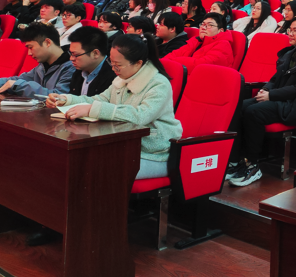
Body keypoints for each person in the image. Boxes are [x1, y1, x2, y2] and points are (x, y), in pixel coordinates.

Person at [48, 33, 182, 181]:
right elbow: (99, 99)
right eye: (111, 63)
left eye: (118, 65)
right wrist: (67, 100)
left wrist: (93, 109)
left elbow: (141, 116)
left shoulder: (158, 84)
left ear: (138, 63)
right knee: (77, 160)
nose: (113, 69)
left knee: (95, 169)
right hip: (124, 146)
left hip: (153, 154)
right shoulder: (122, 79)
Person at [228, 16, 296, 186]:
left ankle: (253, 165)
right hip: (279, 99)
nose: (290, 33)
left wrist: (271, 95)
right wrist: (266, 89)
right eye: (290, 30)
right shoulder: (289, 54)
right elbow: (275, 79)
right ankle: (235, 161)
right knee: (238, 108)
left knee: (253, 112)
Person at [0, 23, 74, 97]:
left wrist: (18, 86)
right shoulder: (42, 66)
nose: (29, 53)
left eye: (31, 47)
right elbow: (18, 80)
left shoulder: (72, 67)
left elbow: (59, 97)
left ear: (47, 42)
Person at [166, 13, 234, 70]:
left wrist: (173, 62)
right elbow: (173, 55)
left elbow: (200, 66)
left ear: (221, 31)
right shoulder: (195, 41)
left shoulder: (223, 45)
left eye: (210, 25)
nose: (203, 27)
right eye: (203, 24)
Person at [66, 26, 116, 96]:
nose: (71, 58)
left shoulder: (113, 77)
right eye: (71, 54)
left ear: (95, 53)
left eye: (76, 55)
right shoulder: (78, 72)